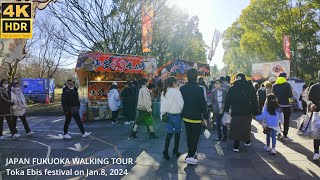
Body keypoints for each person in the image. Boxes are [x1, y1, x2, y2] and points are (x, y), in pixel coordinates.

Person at [224, 73, 259, 152]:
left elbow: (227, 100)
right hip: (247, 112)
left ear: (236, 78)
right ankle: (247, 141)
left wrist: (226, 109)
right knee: (246, 127)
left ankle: (236, 146)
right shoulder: (250, 87)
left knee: (236, 128)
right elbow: (254, 100)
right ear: (244, 78)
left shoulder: (232, 88)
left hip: (236, 112)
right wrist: (256, 111)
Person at [180, 68, 208, 165]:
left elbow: (180, 103)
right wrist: (206, 116)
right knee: (195, 137)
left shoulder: (182, 88)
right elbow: (202, 104)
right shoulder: (200, 89)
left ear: (187, 76)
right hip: (196, 117)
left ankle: (191, 152)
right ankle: (191, 156)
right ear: (196, 76)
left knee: (189, 135)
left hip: (186, 116)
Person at [160, 77, 184, 160]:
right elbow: (181, 104)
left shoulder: (164, 92)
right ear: (173, 83)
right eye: (176, 83)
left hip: (168, 116)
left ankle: (165, 151)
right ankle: (175, 150)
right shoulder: (177, 92)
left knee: (169, 134)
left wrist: (162, 114)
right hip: (176, 116)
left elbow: (163, 105)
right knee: (177, 134)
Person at [272, 72, 293, 141]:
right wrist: (291, 104)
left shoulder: (274, 85)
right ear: (285, 77)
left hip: (277, 105)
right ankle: (285, 135)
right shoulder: (287, 85)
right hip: (286, 105)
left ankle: (278, 134)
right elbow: (290, 96)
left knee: (277, 119)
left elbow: (273, 96)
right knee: (286, 120)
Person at [308, 70, 320, 160]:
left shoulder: (313, 87)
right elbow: (308, 99)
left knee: (317, 133)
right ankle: (316, 152)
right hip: (316, 113)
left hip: (316, 113)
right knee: (317, 133)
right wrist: (311, 104)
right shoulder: (314, 87)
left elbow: (308, 99)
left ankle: (316, 152)